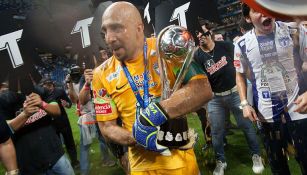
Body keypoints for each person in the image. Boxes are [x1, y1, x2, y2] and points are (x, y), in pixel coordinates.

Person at [93, 2, 213, 175]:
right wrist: (137, 137)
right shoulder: (101, 74)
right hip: (141, 167)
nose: (109, 38)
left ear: (139, 28)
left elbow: (203, 88)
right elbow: (106, 127)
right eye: (105, 31)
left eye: (116, 28)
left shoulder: (166, 48)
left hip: (182, 164)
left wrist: (153, 115)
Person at [235, 3, 307, 174]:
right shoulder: (242, 44)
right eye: (255, 11)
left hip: (299, 108)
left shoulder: (294, 31)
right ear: (247, 18)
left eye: (265, 9)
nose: (263, 14)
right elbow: (240, 75)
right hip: (267, 114)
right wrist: (245, 103)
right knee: (278, 166)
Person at [193, 20, 264, 175]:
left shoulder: (226, 46)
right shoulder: (197, 56)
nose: (200, 37)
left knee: (246, 126)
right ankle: (221, 161)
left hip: (234, 93)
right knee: (217, 131)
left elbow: (241, 66)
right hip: (215, 99)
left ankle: (256, 155)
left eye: (203, 33)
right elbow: (201, 81)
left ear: (209, 33)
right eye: (197, 34)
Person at [1, 85, 74, 174]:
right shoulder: (5, 99)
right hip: (29, 163)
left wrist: (41, 104)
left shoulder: (41, 90)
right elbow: (4, 130)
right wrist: (24, 114)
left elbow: (57, 111)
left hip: (55, 154)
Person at [66, 65, 116, 175]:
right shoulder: (74, 84)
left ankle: (105, 160)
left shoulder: (87, 79)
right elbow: (76, 100)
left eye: (77, 73)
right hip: (86, 117)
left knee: (102, 139)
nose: (76, 76)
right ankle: (85, 171)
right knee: (86, 145)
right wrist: (69, 84)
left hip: (95, 114)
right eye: (74, 74)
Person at [38, 78, 80, 168]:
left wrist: (67, 104)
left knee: (69, 142)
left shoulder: (59, 91)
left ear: (52, 84)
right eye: (46, 85)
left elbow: (69, 103)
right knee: (56, 146)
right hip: (50, 124)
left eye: (50, 85)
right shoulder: (41, 95)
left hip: (63, 121)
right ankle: (62, 165)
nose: (49, 87)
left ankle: (74, 161)